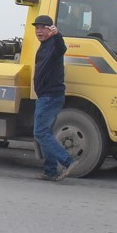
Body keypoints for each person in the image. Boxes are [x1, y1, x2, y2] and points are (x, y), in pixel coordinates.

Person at [32, 14, 76, 181]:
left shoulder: (54, 44)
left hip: (50, 96)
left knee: (40, 132)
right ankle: (50, 171)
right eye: (37, 28)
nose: (39, 31)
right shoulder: (43, 46)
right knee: (46, 133)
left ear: (51, 29)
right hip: (46, 95)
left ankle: (68, 161)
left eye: (43, 27)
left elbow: (62, 48)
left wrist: (58, 35)